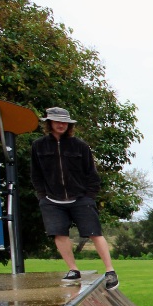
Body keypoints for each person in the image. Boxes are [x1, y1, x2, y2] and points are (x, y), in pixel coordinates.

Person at [30, 107, 119, 290]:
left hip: (80, 198)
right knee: (58, 233)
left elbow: (91, 174)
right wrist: (42, 196)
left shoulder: (80, 146)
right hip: (51, 199)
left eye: (64, 122)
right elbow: (35, 174)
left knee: (95, 232)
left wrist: (89, 196)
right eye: (57, 121)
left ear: (69, 125)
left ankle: (110, 271)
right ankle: (73, 269)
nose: (61, 125)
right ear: (50, 123)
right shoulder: (38, 146)